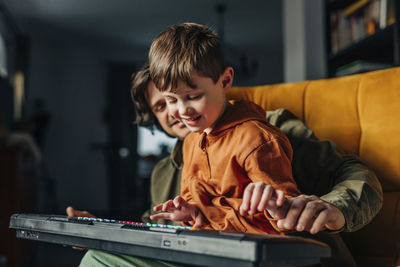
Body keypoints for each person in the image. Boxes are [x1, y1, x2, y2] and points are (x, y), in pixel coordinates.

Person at [69, 61, 382, 266]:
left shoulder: (270, 128)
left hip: (282, 256)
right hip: (200, 258)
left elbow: (354, 172)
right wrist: (103, 230)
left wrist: (335, 208)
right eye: (162, 104)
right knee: (97, 259)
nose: (175, 110)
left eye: (184, 95)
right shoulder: (165, 171)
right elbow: (158, 227)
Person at [148, 22, 302, 233]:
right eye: (170, 100)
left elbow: (290, 217)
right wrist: (192, 212)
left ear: (225, 80)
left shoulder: (256, 139)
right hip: (205, 247)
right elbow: (206, 211)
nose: (183, 110)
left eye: (193, 97)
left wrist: (276, 205)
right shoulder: (191, 141)